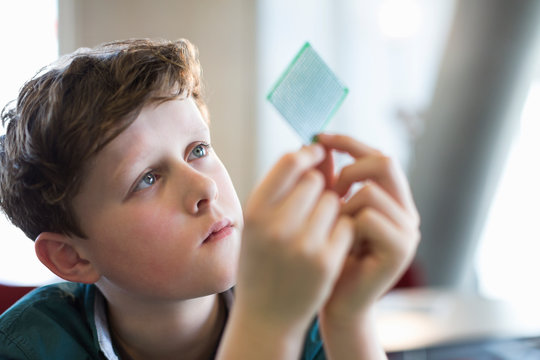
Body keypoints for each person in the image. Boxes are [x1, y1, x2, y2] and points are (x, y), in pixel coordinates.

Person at [0, 38, 420, 360]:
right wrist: (264, 326)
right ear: (72, 258)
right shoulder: (25, 348)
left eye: (198, 150)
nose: (206, 189)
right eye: (147, 178)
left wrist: (349, 318)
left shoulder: (310, 317)